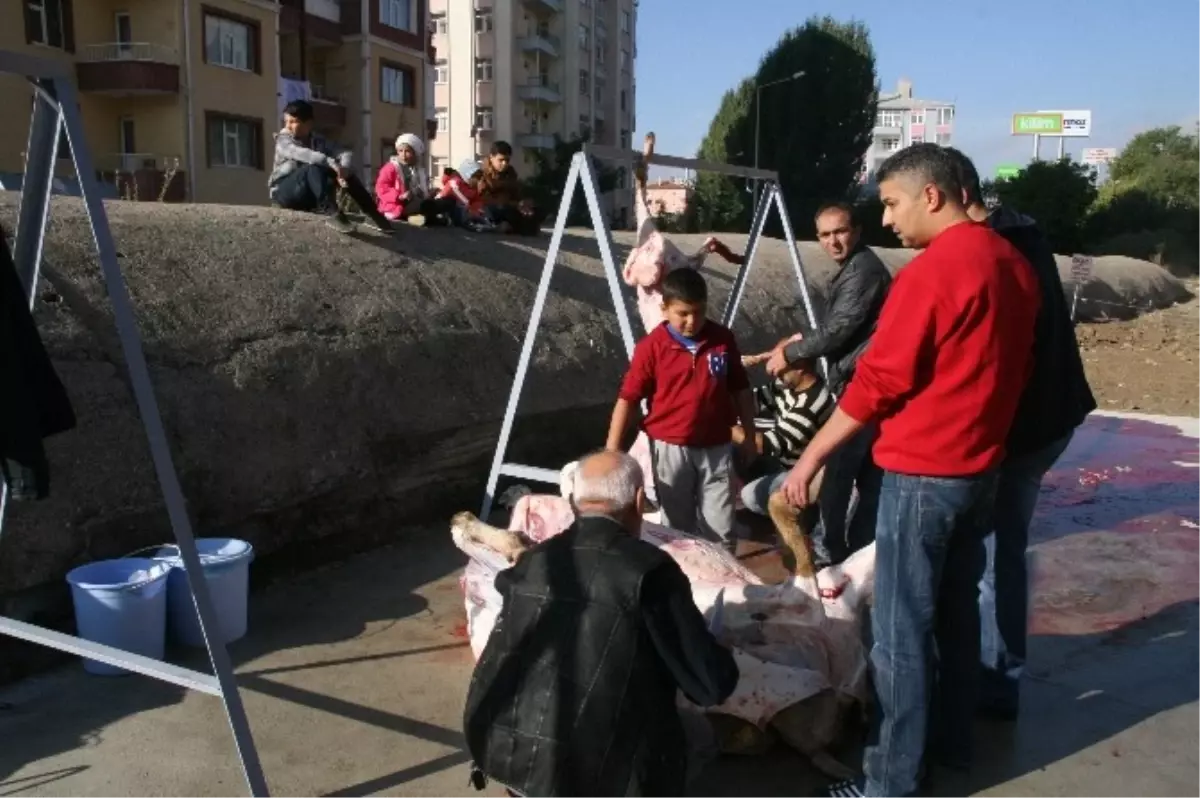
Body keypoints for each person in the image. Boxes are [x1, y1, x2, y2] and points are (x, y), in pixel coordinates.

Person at [779, 144, 1041, 798]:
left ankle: (888, 781)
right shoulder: (1014, 265)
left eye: (892, 203)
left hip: (924, 475)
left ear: (932, 195)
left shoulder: (932, 274)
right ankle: (951, 746)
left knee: (899, 638)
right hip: (980, 472)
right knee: (955, 614)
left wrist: (812, 455)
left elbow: (877, 383)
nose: (888, 220)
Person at [463, 450, 739, 798]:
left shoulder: (534, 561)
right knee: (700, 735)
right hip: (594, 773)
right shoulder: (649, 571)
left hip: (504, 750)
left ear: (572, 501)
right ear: (639, 501)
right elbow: (710, 686)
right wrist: (718, 650)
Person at [946, 148, 1097, 721]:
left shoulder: (994, 253)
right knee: (1004, 551)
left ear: (950, 195)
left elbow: (994, 356)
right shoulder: (1024, 234)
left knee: (989, 557)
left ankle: (994, 681)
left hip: (1022, 428)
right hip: (1051, 419)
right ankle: (996, 671)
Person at [761, 201, 892, 568]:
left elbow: (839, 330)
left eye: (840, 232)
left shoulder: (862, 272)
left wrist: (791, 353)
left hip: (861, 386)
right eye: (825, 235)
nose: (833, 241)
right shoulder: (853, 269)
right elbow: (844, 326)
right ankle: (862, 550)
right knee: (869, 477)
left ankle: (826, 552)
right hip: (865, 382)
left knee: (837, 472)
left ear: (857, 231)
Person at [606, 269, 758, 552]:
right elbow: (627, 399)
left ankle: (727, 583)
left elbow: (741, 390)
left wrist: (749, 434)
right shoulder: (651, 348)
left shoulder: (722, 340)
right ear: (664, 308)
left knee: (722, 528)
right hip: (670, 449)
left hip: (716, 447)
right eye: (683, 313)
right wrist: (613, 453)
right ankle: (684, 586)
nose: (692, 321)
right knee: (678, 529)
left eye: (699, 312)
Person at [624, 132, 745, 334]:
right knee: (642, 206)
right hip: (659, 267)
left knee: (641, 206)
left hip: (659, 267)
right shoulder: (656, 256)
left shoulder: (656, 255)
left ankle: (644, 164)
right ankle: (644, 164)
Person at [268, 100, 393, 234]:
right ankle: (331, 212)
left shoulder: (318, 140)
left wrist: (343, 168)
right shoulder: (283, 140)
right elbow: (304, 154)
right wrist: (331, 163)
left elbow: (344, 152)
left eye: (293, 122)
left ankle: (372, 214)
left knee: (347, 172)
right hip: (285, 194)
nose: (288, 126)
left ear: (308, 123)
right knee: (314, 167)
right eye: (286, 121)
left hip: (308, 198)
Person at [734, 354, 835, 518]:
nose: (775, 372)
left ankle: (804, 514)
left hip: (803, 473)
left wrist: (727, 427)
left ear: (800, 368)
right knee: (734, 451)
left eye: (781, 367)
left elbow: (767, 445)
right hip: (780, 461)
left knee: (750, 496)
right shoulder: (786, 385)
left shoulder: (811, 404)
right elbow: (751, 402)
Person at [374, 133, 430, 223]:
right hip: (394, 206)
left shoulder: (416, 170)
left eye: (407, 151)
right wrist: (399, 196)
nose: (403, 155)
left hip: (409, 203)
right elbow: (381, 187)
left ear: (414, 153)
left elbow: (419, 190)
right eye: (400, 151)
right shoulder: (391, 167)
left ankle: (417, 218)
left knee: (440, 203)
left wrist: (429, 193)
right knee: (427, 206)